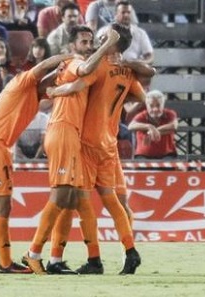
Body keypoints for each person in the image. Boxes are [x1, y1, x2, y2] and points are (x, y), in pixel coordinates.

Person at [46, 22, 151, 275]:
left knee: (80, 203)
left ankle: (93, 259)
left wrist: (52, 91)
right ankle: (130, 250)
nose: (98, 40)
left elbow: (78, 84)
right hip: (109, 143)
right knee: (111, 200)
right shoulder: (126, 72)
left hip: (88, 142)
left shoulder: (101, 65)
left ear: (112, 42)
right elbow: (142, 98)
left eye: (104, 37)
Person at [0, 53, 72, 275]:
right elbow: (45, 65)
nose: (52, 83)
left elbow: (52, 80)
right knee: (3, 206)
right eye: (50, 79)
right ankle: (5, 263)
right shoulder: (22, 81)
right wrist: (71, 57)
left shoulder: (30, 96)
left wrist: (62, 74)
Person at [21, 25, 121, 275]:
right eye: (84, 42)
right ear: (72, 45)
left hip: (68, 133)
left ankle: (55, 259)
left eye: (91, 42)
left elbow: (54, 87)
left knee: (70, 199)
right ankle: (33, 253)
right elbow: (85, 70)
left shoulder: (70, 64)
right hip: (64, 131)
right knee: (61, 197)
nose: (89, 46)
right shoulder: (77, 61)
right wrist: (109, 44)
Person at [128, 90, 178, 159]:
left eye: (158, 105)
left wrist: (151, 132)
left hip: (167, 154)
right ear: (146, 106)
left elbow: (173, 126)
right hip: (143, 155)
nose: (155, 109)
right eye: (151, 106)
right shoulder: (142, 115)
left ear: (163, 104)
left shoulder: (170, 114)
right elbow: (130, 126)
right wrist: (149, 126)